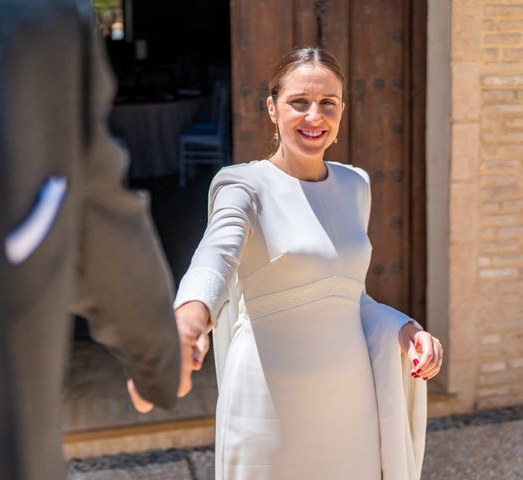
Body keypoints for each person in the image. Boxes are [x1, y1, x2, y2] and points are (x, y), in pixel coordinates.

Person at [0, 1, 200, 479]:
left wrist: (159, 355)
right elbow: (103, 224)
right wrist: (160, 362)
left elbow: (95, 218)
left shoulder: (36, 22)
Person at [174, 47, 444, 480]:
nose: (314, 116)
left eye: (328, 104)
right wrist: (191, 318)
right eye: (299, 102)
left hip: (349, 399)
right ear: (272, 108)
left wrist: (406, 330)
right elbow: (217, 253)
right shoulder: (244, 186)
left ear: (341, 112)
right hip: (268, 403)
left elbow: (346, 294)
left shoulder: (356, 185)